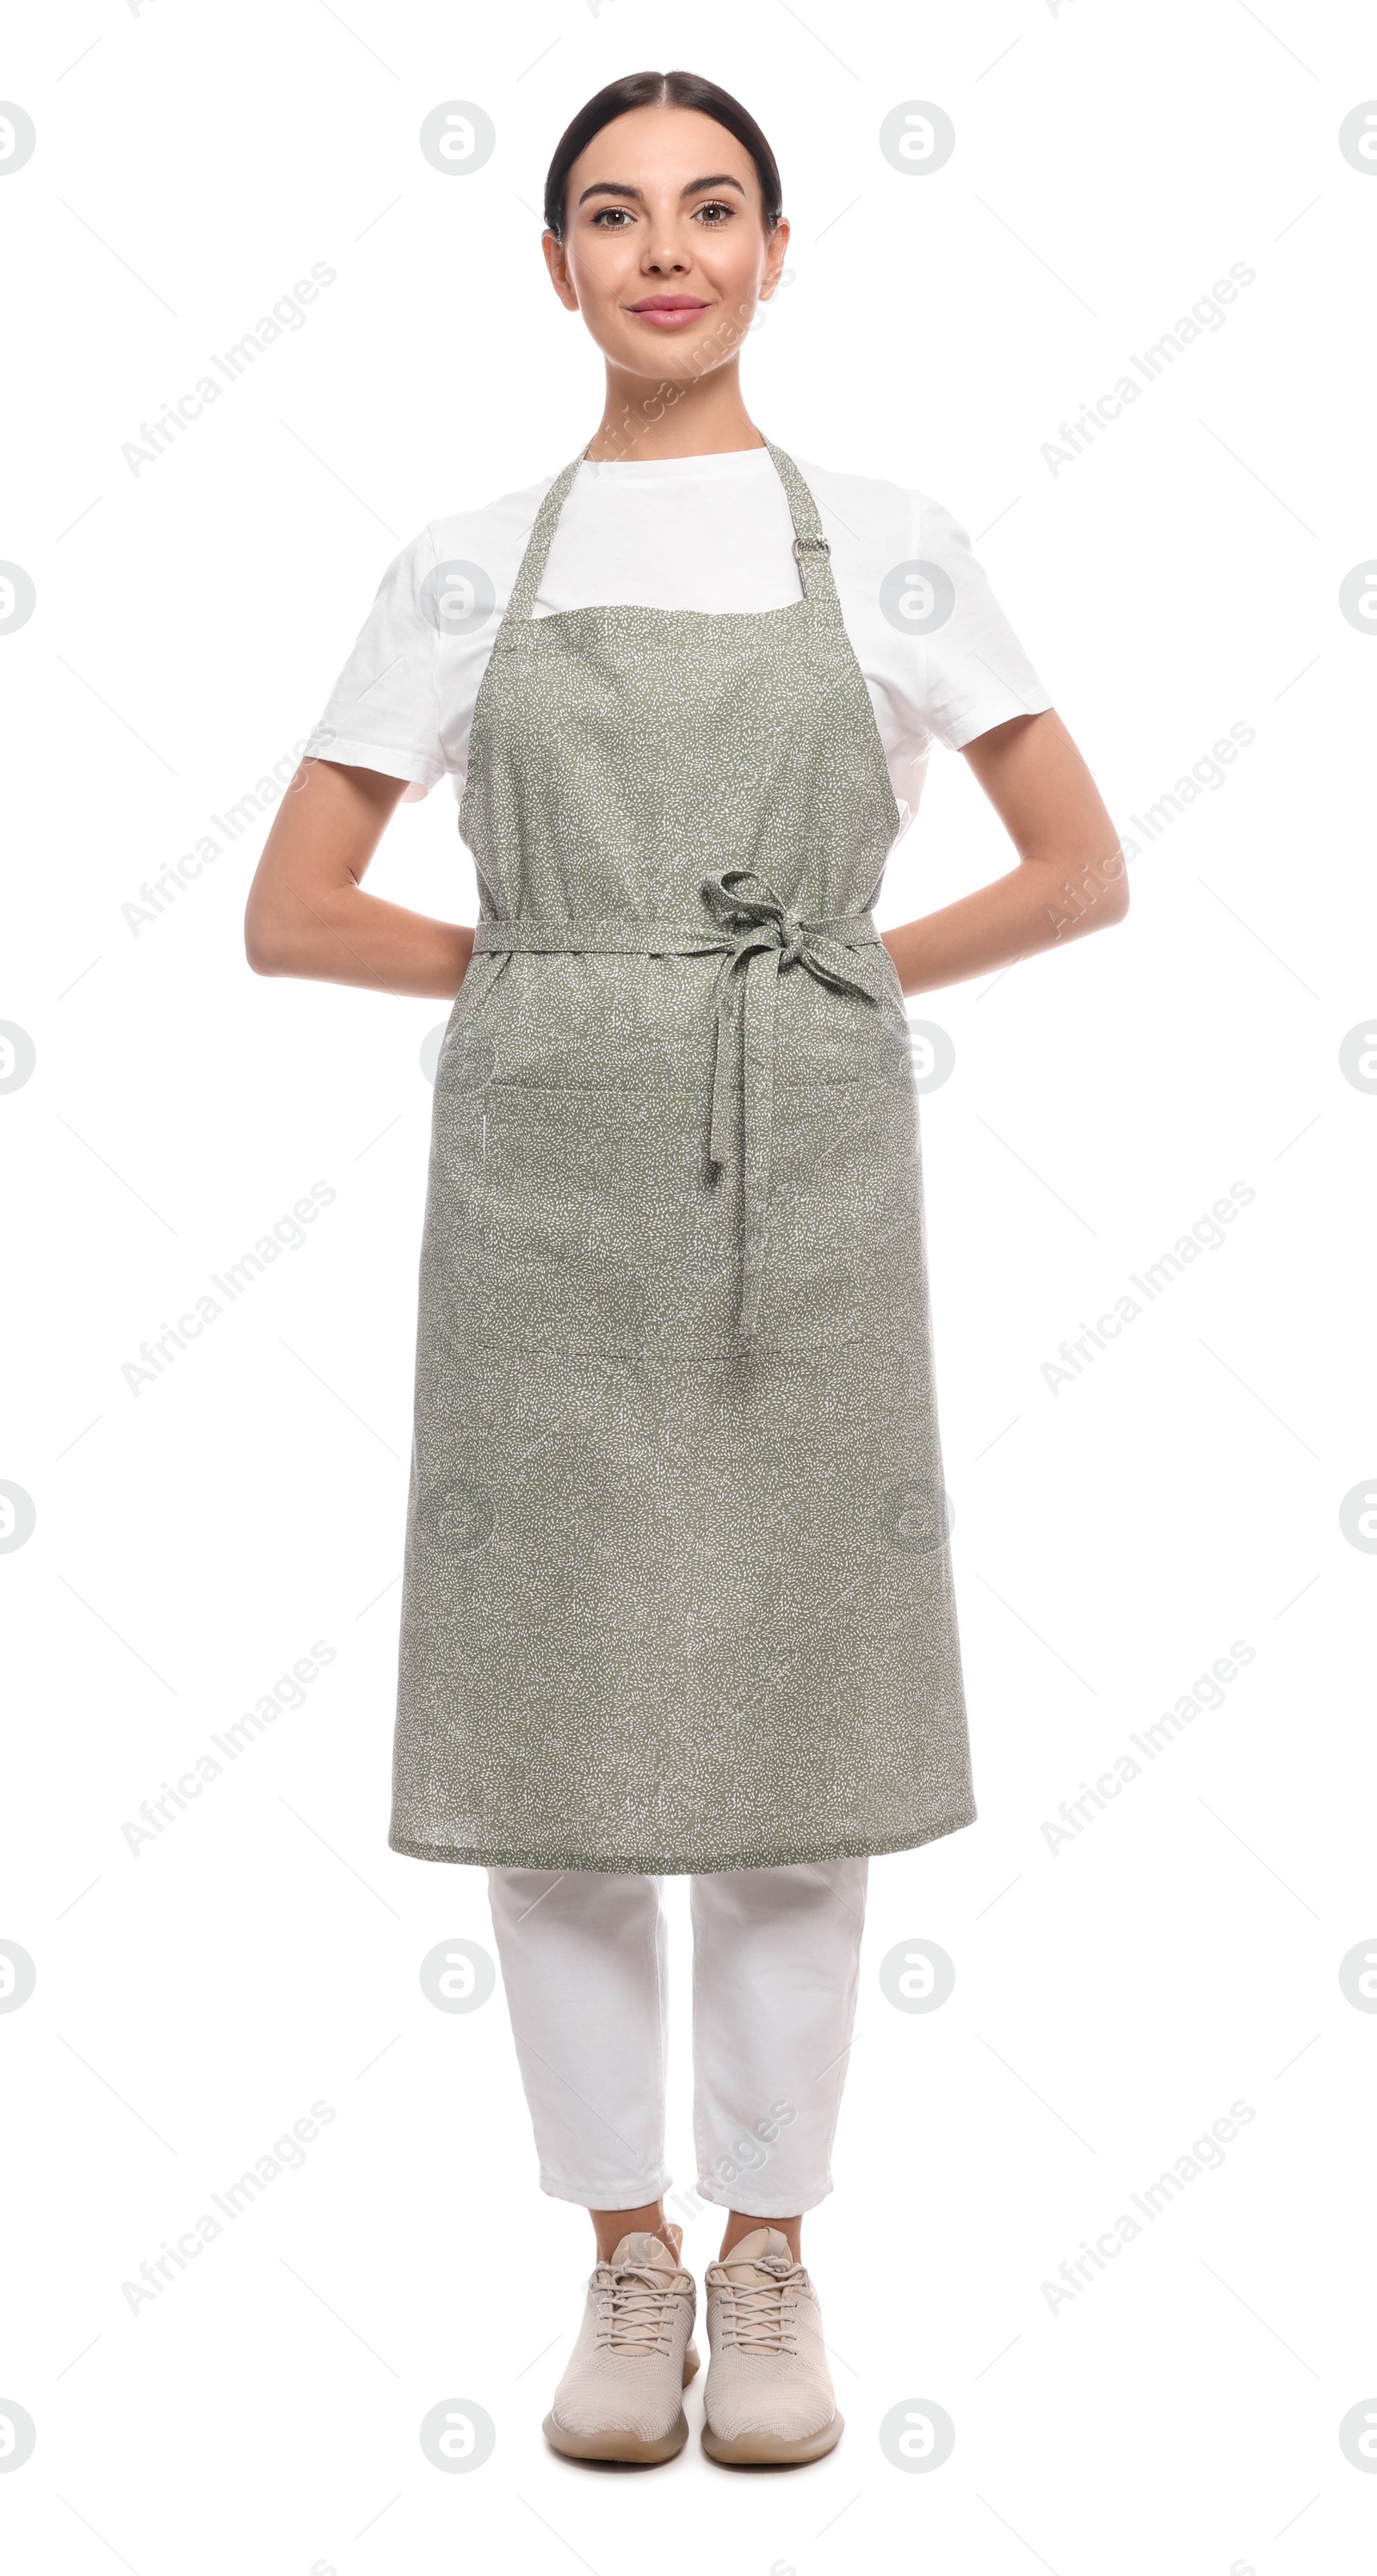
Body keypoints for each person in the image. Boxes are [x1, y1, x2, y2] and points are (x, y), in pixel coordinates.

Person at [244, 68, 1126, 2470]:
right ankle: (619, 2249)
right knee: (555, 1745)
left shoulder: (899, 540)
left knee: (790, 1739)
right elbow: (289, 909)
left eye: (712, 208)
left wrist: (826, 974)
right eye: (616, 214)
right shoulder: (458, 563)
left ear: (775, 247)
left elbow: (1078, 864)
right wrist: (556, 983)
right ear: (551, 267)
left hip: (810, 1172)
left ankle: (773, 2256)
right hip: (539, 1188)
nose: (667, 250)